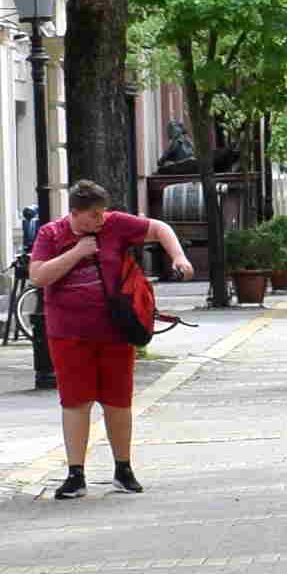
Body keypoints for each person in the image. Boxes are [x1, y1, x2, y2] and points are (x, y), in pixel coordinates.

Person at [24, 176, 176, 498]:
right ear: (76, 213)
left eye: (103, 213)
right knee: (76, 402)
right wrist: (77, 253)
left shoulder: (114, 225)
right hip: (68, 334)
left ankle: (123, 469)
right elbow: (38, 276)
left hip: (115, 332)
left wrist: (178, 257)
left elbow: (159, 228)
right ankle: (75, 474)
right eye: (94, 214)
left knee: (118, 401)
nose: (101, 219)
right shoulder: (51, 234)